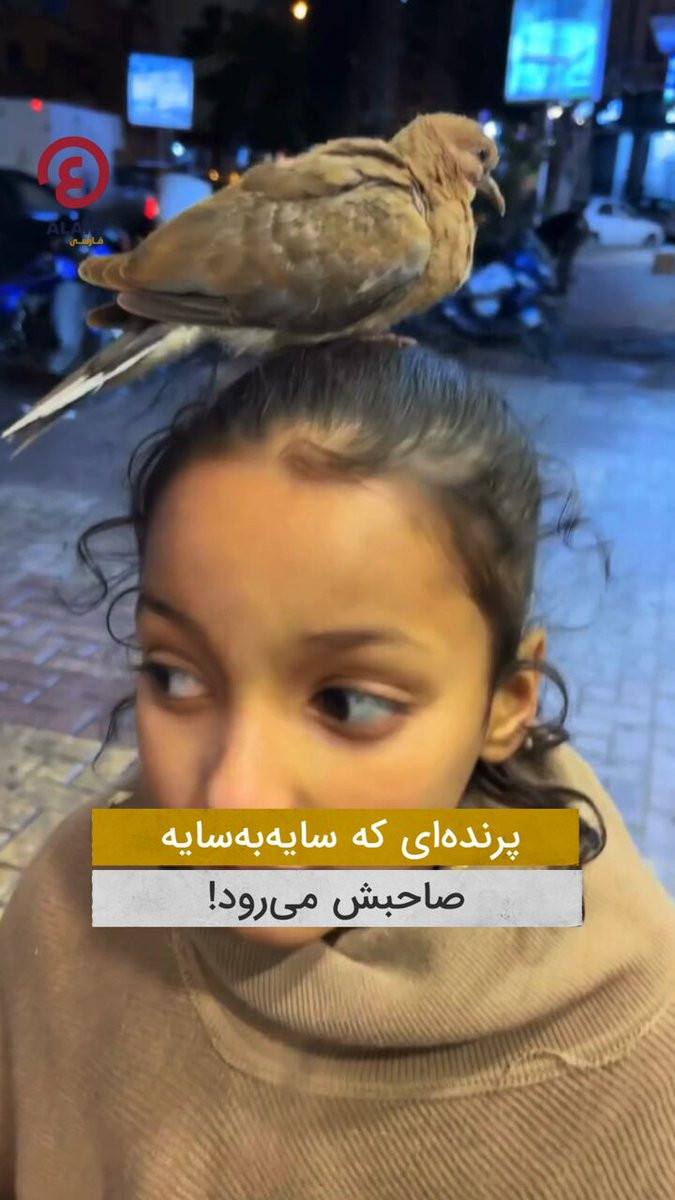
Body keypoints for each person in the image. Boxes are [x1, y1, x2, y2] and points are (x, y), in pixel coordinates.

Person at [0, 340, 673, 1198]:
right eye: (176, 676)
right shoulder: (79, 901)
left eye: (347, 703)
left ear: (507, 703)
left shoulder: (638, 1064)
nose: (231, 802)